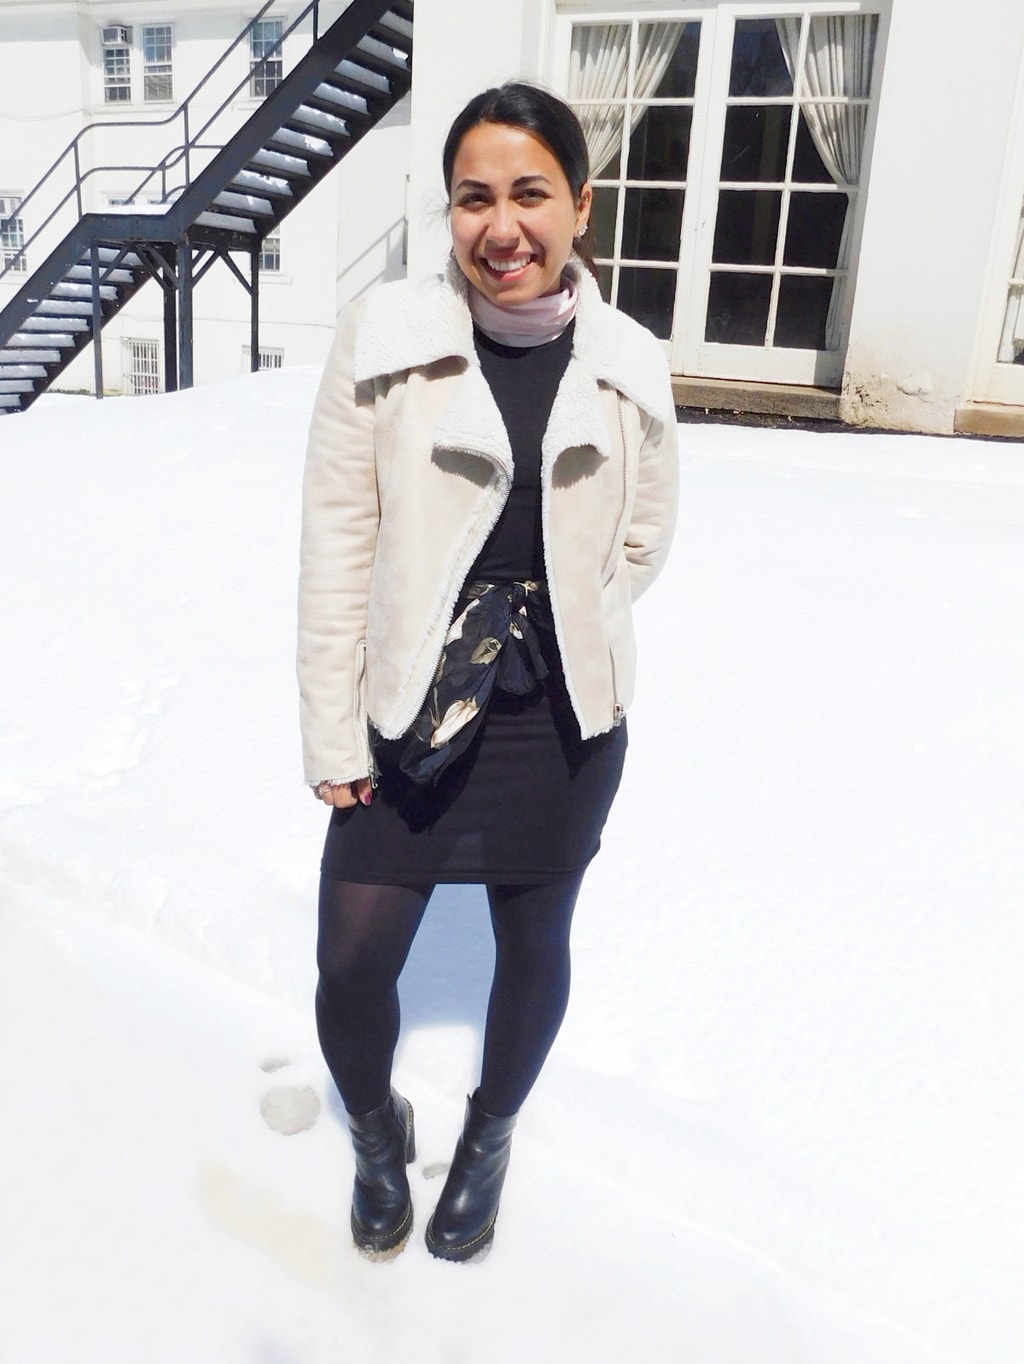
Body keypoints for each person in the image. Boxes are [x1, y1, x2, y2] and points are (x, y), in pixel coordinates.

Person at [297, 81, 678, 1262]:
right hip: (412, 702)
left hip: (561, 717)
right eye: (473, 197)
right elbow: (336, 543)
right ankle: (374, 1128)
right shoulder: (385, 337)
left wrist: (559, 610)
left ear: (579, 206)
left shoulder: (626, 358)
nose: (499, 226)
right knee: (352, 966)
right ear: (449, 210)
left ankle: (488, 1134)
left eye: (529, 193)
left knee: (534, 941)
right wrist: (333, 732)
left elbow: (644, 534)